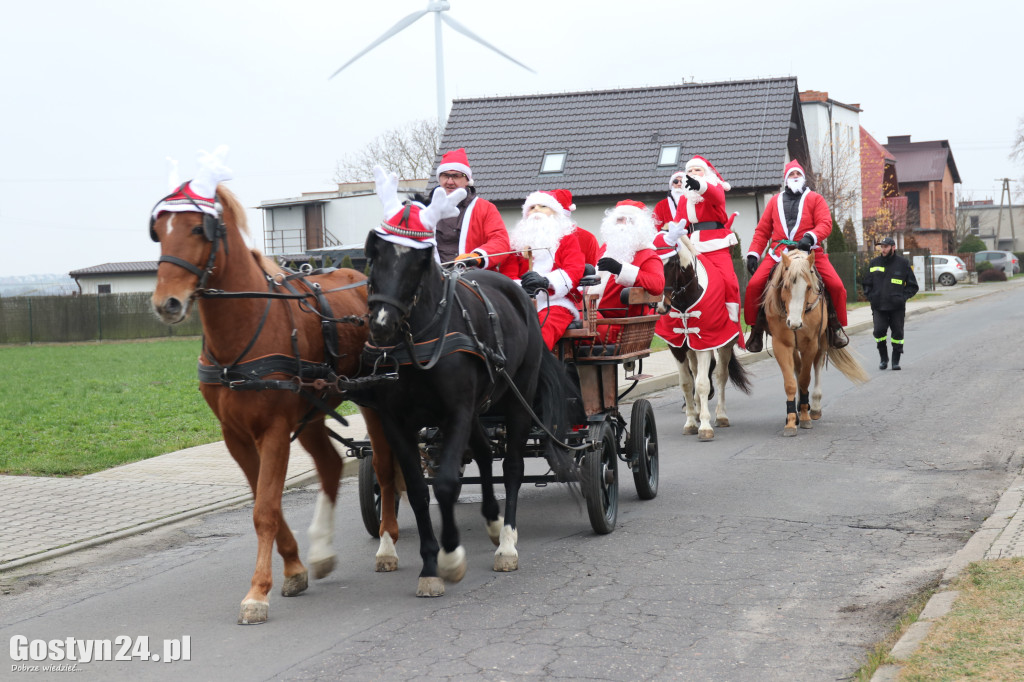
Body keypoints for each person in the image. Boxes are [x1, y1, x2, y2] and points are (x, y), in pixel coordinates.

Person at [744, 159, 849, 352]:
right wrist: (753, 254)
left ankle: (835, 327)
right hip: (779, 254)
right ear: (785, 179)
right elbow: (762, 231)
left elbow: (826, 223)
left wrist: (810, 237)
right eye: (791, 174)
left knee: (836, 285)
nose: (794, 177)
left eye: (797, 174)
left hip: (809, 253)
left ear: (803, 178)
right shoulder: (774, 201)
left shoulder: (816, 199)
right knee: (754, 285)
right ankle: (756, 330)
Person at [653, 155, 744, 344]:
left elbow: (715, 195)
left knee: (728, 281)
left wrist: (698, 185)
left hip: (715, 243)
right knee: (673, 276)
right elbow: (679, 223)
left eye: (697, 170)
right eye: (690, 171)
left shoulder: (715, 187)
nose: (693, 174)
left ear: (706, 173)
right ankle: (671, 320)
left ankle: (731, 321)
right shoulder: (686, 199)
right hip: (691, 245)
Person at [499, 190, 586, 350]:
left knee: (543, 329)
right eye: (532, 207)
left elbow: (574, 269)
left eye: (543, 206)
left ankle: (534, 362)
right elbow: (507, 274)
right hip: (521, 302)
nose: (536, 210)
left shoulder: (566, 239)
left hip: (556, 302)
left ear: (555, 212)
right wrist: (521, 286)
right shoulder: (517, 243)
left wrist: (546, 281)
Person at [432, 148, 510, 270]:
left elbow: (501, 241)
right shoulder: (424, 209)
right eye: (445, 176)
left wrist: (477, 257)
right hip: (433, 278)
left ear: (467, 180)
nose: (450, 182)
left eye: (456, 176)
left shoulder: (485, 208)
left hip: (473, 279)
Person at [593, 200, 665, 318]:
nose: (623, 224)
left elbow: (658, 285)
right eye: (619, 219)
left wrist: (621, 269)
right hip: (592, 314)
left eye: (630, 220)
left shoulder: (647, 254)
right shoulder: (606, 249)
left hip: (615, 323)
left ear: (640, 226)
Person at [862, 236, 918, 370]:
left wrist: (902, 297)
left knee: (897, 334)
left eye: (886, 247)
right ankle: (883, 358)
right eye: (882, 247)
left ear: (893, 247)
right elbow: (866, 283)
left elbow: (913, 286)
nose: (883, 249)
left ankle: (895, 360)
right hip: (879, 306)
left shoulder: (903, 264)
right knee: (879, 331)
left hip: (896, 307)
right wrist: (872, 296)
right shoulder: (874, 263)